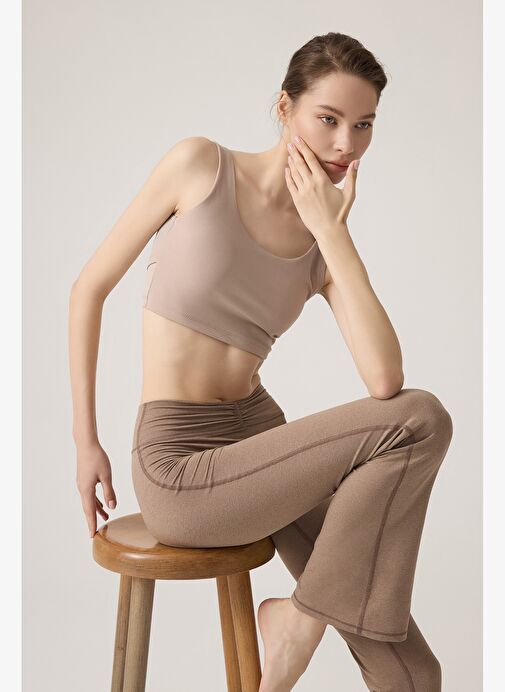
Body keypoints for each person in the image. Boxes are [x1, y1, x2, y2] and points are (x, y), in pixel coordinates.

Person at [69, 31, 453, 692]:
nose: (345, 145)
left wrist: (331, 231)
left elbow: (383, 378)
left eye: (363, 126)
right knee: (422, 418)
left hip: (259, 447)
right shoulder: (199, 165)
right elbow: (88, 289)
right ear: (284, 107)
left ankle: (300, 619)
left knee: (415, 672)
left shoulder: (322, 241)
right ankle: (299, 626)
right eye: (327, 119)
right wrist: (86, 442)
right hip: (179, 466)